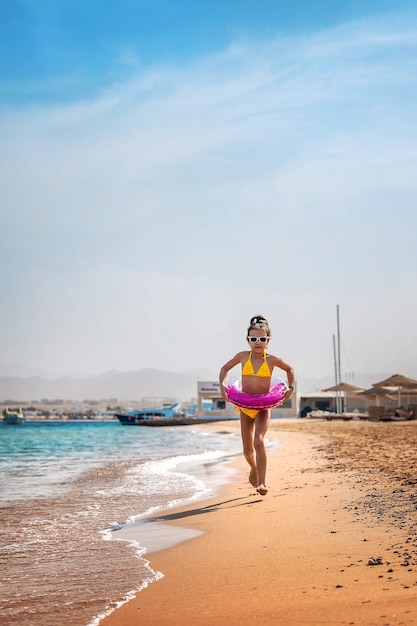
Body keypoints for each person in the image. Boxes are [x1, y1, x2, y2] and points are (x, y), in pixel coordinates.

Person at [218, 314, 295, 496]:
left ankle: (262, 482)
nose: (258, 342)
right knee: (247, 451)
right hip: (245, 408)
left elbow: (290, 369)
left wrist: (290, 387)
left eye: (262, 339)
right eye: (254, 339)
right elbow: (224, 369)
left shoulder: (272, 360)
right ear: (248, 340)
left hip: (262, 408)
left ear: (268, 341)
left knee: (258, 441)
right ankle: (253, 468)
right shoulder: (243, 356)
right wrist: (222, 386)